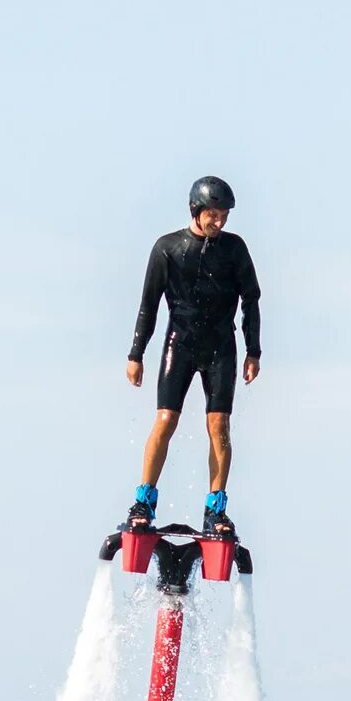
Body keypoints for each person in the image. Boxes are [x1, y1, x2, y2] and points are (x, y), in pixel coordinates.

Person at [122, 175, 262, 544]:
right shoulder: (167, 248)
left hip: (221, 347)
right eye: (213, 215)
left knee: (219, 426)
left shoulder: (234, 249)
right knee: (165, 419)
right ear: (196, 211)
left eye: (224, 216)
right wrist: (136, 354)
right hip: (179, 343)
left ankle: (215, 508)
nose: (220, 223)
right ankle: (143, 502)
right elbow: (148, 305)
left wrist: (253, 350)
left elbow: (250, 301)